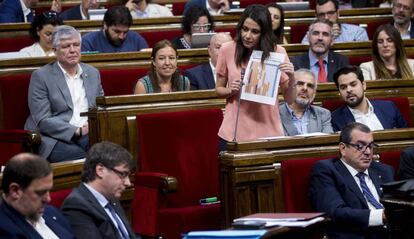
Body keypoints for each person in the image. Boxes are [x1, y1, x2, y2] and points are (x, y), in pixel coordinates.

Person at [215, 4, 296, 148]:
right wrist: (230, 91)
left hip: (269, 132)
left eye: (254, 31)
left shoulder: (278, 52)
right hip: (234, 133)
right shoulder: (227, 49)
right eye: (245, 29)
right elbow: (218, 90)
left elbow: (290, 99)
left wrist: (292, 77)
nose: (247, 35)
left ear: (264, 33)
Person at [24, 25, 104, 163]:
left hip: (88, 133)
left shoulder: (92, 73)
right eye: (66, 46)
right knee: (85, 159)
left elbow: (100, 106)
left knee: (110, 153)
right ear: (55, 50)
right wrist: (76, 131)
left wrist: (92, 125)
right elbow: (42, 119)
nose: (73, 50)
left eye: (76, 45)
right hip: (52, 137)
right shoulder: (41, 76)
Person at [310, 122, 394, 239]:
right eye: (360, 146)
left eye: (370, 146)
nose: (368, 152)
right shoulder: (326, 170)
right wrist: (382, 216)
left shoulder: (384, 170)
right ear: (343, 148)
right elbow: (335, 212)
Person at [61, 141, 138, 239]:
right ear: (100, 171)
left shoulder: (111, 197)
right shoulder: (76, 205)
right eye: (122, 174)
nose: (128, 183)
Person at [0, 153, 75, 238]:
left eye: (48, 191)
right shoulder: (4, 229)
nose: (48, 199)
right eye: (40, 192)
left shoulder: (52, 212)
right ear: (15, 191)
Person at [331, 65, 407, 132]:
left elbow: (406, 137)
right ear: (339, 91)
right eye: (343, 87)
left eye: (353, 84)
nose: (348, 90)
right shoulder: (335, 118)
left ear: (363, 85)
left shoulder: (389, 107)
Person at [279, 69, 333, 136]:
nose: (305, 88)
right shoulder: (276, 114)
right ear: (290, 86)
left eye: (310, 86)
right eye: (300, 84)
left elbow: (328, 141)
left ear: (314, 92)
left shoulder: (323, 114)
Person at [81, 6, 148, 53]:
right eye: (117, 31)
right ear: (105, 25)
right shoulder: (88, 42)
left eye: (125, 32)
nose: (121, 36)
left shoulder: (137, 39)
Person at [301, 0, 368, 44]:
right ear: (316, 16)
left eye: (330, 13)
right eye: (321, 14)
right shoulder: (310, 35)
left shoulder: (358, 32)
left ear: (338, 13)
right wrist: (329, 37)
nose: (326, 17)